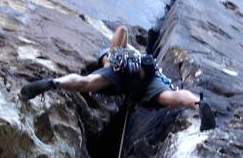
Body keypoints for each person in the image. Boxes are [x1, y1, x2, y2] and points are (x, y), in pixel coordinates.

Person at [20, 25, 216, 131]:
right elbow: (122, 31)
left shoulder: (106, 62)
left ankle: (56, 83)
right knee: (169, 97)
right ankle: (198, 103)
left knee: (87, 81)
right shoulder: (119, 57)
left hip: (121, 75)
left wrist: (113, 60)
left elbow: (90, 82)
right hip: (144, 76)